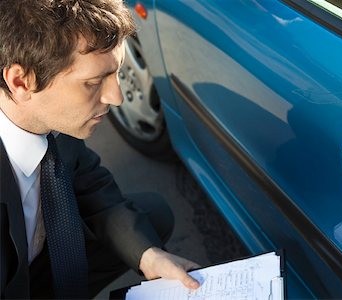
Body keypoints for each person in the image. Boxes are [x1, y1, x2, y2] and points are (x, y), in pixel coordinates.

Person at [0, 0, 200, 298]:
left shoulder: (55, 124)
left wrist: (148, 256)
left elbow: (91, 184)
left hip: (35, 267)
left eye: (116, 73)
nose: (117, 97)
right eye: (94, 82)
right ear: (21, 81)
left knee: (152, 215)